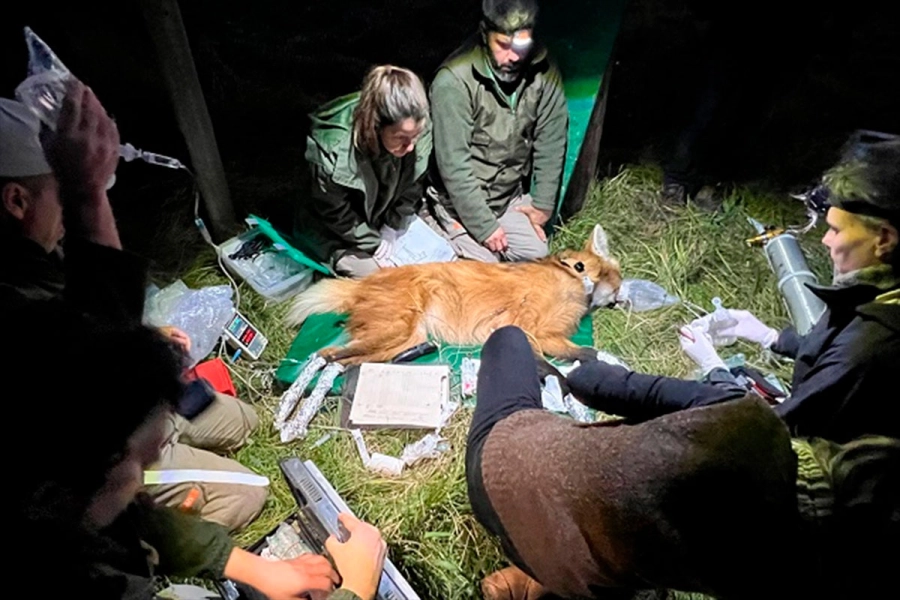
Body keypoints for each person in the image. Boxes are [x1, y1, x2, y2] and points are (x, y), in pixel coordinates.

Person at [9, 80, 388, 600]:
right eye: (140, 464)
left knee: (236, 423)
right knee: (237, 512)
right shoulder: (89, 579)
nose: (145, 473)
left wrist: (86, 193)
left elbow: (125, 503)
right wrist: (361, 588)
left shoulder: (63, 481)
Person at [467, 326, 898, 600]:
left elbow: (606, 386)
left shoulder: (748, 422)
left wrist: (583, 374)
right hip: (596, 571)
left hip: (502, 477)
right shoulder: (790, 575)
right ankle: (545, 576)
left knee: (507, 341)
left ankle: (532, 573)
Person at [0, 88, 266, 531]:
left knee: (245, 420)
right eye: (64, 192)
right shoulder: (13, 308)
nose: (72, 215)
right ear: (16, 200)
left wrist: (151, 341)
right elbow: (94, 406)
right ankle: (150, 535)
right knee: (250, 491)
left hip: (137, 403)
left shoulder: (37, 254)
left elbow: (100, 331)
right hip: (108, 452)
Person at [567, 131, 900, 443]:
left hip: (795, 464)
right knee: (605, 382)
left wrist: (715, 369)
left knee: (600, 383)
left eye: (836, 231)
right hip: (795, 426)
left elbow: (776, 432)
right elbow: (831, 357)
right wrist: (771, 337)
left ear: (884, 239)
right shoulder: (879, 296)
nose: (825, 240)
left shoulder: (873, 342)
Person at [425, 0, 568, 263]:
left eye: (521, 46)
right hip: (455, 203)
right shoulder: (454, 81)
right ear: (484, 34)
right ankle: (433, 226)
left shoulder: (544, 70)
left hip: (505, 197)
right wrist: (485, 227)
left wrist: (542, 206)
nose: (513, 56)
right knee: (486, 266)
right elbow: (454, 166)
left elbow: (552, 138)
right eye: (503, 45)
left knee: (537, 253)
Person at [295, 65, 432, 278]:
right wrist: (373, 244)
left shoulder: (414, 124)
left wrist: (393, 225)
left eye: (415, 136)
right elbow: (336, 213)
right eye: (401, 138)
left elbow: (413, 184)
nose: (411, 146)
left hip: (382, 220)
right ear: (375, 125)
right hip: (336, 233)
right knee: (386, 282)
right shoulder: (334, 151)